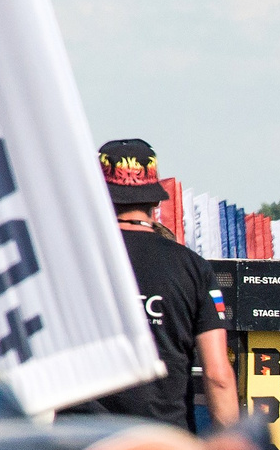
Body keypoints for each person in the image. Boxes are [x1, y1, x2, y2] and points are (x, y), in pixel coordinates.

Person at [61, 139, 237, 428]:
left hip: (81, 444)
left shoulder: (70, 260)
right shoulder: (192, 267)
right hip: (160, 449)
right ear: (155, 200)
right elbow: (217, 376)